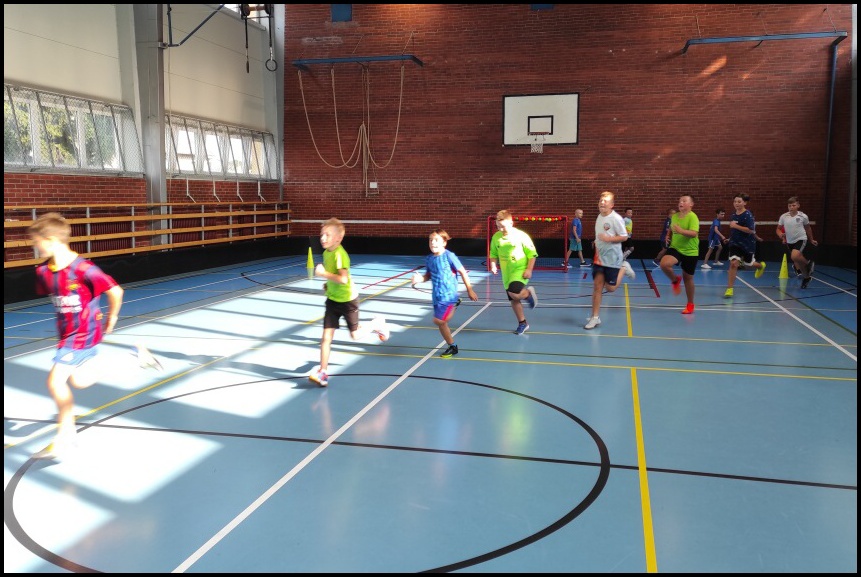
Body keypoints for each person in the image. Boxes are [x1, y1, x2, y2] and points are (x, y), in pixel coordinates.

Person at [26, 212, 163, 460]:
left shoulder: (84, 269)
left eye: (37, 241)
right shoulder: (44, 271)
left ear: (52, 240)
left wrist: (112, 317)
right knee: (79, 381)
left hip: (83, 333)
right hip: (67, 334)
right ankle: (135, 358)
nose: (35, 247)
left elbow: (116, 291)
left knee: (55, 382)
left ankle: (66, 435)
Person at [310, 218, 389, 387]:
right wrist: (328, 283)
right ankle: (323, 372)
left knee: (355, 335)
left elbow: (343, 279)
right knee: (326, 337)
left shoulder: (340, 255)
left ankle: (376, 323)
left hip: (348, 301)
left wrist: (324, 275)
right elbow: (333, 276)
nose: (322, 238)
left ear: (338, 238)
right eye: (321, 234)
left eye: (327, 235)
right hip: (332, 300)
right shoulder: (326, 253)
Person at [411, 229, 479, 357]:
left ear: (444, 242)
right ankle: (452, 346)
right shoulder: (430, 258)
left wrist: (469, 289)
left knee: (439, 321)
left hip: (448, 295)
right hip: (437, 295)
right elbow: (428, 275)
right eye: (430, 240)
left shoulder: (449, 256)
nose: (433, 243)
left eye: (436, 240)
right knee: (442, 323)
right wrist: (420, 279)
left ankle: (454, 304)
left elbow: (463, 272)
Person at [584, 191, 636, 329]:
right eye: (601, 200)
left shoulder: (616, 218)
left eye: (605, 201)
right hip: (599, 257)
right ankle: (595, 318)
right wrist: (597, 242)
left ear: (612, 205)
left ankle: (623, 268)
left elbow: (624, 236)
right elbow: (600, 234)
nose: (602, 202)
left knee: (610, 288)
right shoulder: (599, 217)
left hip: (613, 258)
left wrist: (609, 239)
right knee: (597, 287)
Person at [488, 209, 539, 335]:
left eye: (503, 226)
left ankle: (527, 294)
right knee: (513, 299)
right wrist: (493, 265)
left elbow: (532, 254)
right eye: (498, 226)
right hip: (507, 273)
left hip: (520, 269)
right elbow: (493, 254)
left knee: (514, 291)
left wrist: (529, 269)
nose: (500, 229)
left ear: (511, 223)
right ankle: (522, 323)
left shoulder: (521, 236)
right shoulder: (496, 237)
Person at [658, 195, 700, 314]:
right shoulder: (675, 216)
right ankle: (675, 280)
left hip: (690, 251)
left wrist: (681, 231)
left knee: (688, 278)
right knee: (664, 264)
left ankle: (690, 304)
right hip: (675, 248)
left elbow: (694, 233)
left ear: (691, 204)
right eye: (680, 201)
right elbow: (671, 228)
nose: (681, 202)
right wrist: (668, 235)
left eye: (684, 201)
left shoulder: (693, 217)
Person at [724, 193, 766, 298]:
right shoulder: (733, 215)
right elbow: (734, 230)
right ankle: (729, 289)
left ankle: (760, 266)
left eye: (739, 201)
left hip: (747, 244)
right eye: (735, 201)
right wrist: (730, 238)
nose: (736, 203)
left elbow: (751, 230)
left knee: (749, 263)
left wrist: (736, 226)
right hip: (735, 243)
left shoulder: (748, 215)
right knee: (733, 263)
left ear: (745, 203)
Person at [777, 196, 818, 288]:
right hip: (790, 241)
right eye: (789, 206)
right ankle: (807, 277)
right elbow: (778, 229)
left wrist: (811, 239)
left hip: (801, 239)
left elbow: (808, 228)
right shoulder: (784, 216)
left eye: (793, 205)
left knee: (794, 256)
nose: (791, 207)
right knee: (798, 261)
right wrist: (780, 234)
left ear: (798, 205)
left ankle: (809, 263)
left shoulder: (803, 216)